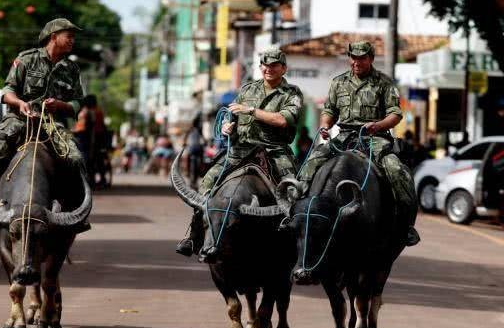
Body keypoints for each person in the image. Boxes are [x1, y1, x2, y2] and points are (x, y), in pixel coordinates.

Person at [176, 48, 304, 256]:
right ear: (260, 67)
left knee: (295, 190)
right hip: (240, 149)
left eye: (274, 65)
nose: (268, 69)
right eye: (265, 65)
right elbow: (232, 117)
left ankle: (296, 242)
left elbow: (282, 120)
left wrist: (251, 111)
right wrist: (228, 125)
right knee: (206, 184)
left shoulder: (292, 93)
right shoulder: (247, 89)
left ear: (283, 68)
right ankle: (194, 236)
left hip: (274, 150)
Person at [0, 18, 86, 240]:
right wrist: (20, 103)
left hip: (52, 123)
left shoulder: (71, 68)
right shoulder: (26, 59)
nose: (72, 40)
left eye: (73, 36)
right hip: (19, 119)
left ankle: (75, 215)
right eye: (68, 35)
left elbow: (77, 103)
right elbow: (7, 92)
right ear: (53, 37)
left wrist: (60, 105)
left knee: (75, 158)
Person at [298, 41, 419, 246]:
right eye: (353, 57)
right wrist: (325, 127)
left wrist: (379, 125)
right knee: (314, 159)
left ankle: (405, 223)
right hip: (344, 137)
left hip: (375, 138)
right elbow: (329, 110)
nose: (356, 62)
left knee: (396, 169)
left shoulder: (383, 83)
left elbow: (395, 114)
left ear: (371, 59)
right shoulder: (338, 82)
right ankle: (299, 211)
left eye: (362, 58)